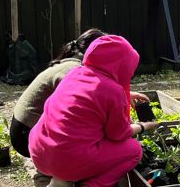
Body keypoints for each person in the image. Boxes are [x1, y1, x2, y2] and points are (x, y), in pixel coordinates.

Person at [28, 35, 158, 187]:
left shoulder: (74, 73)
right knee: (133, 150)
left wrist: (124, 97)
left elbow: (89, 99)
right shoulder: (112, 92)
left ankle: (61, 183)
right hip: (67, 159)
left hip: (40, 154)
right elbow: (118, 134)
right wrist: (143, 126)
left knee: (77, 134)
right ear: (123, 66)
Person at [10, 29, 117, 158]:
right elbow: (85, 104)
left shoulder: (69, 63)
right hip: (26, 137)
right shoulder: (75, 70)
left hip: (22, 129)